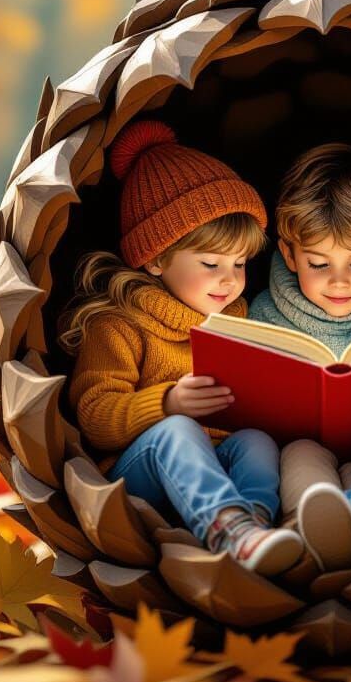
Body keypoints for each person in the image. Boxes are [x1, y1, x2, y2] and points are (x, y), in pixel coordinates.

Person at [61, 120, 303, 575]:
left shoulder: (239, 318)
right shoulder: (118, 325)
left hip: (219, 466)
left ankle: (254, 527)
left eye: (239, 263)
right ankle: (229, 528)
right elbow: (94, 417)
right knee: (179, 431)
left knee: (255, 441)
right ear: (155, 258)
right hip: (140, 473)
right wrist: (168, 402)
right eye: (210, 264)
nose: (229, 280)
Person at [248, 143, 351, 569]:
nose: (339, 283)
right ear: (289, 255)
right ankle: (310, 530)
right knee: (299, 457)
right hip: (299, 443)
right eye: (318, 264)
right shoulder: (261, 314)